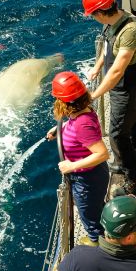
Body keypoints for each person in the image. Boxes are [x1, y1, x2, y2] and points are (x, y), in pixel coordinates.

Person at [83, 0, 136, 196]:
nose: (92, 17)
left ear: (101, 13)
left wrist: (93, 95)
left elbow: (118, 69)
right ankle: (127, 163)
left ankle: (135, 180)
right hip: (119, 87)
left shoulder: (131, 30)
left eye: (93, 14)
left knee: (119, 134)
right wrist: (97, 67)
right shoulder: (113, 22)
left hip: (128, 87)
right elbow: (108, 47)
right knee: (128, 127)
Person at [47, 71, 109, 246]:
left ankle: (97, 245)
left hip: (87, 179)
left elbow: (102, 153)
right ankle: (103, 235)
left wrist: (71, 166)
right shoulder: (82, 113)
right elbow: (75, 124)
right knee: (95, 208)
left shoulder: (83, 124)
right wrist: (59, 128)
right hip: (92, 176)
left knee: (89, 216)